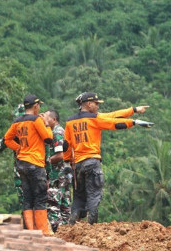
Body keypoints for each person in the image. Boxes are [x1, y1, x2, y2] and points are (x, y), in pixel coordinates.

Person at [63, 91, 152, 224]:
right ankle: (91, 226)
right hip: (92, 162)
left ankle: (72, 225)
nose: (98, 106)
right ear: (88, 104)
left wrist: (68, 162)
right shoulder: (94, 119)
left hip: (78, 165)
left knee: (78, 198)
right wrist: (134, 122)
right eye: (96, 103)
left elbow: (66, 145)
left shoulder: (70, 122)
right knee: (93, 195)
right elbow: (114, 123)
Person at [3, 94, 55, 235]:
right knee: (40, 198)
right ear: (36, 106)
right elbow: (48, 139)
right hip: (35, 164)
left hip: (22, 164)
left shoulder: (17, 121)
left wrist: (18, 148)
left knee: (27, 198)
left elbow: (7, 139)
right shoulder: (36, 120)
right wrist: (46, 124)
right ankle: (43, 231)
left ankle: (31, 231)